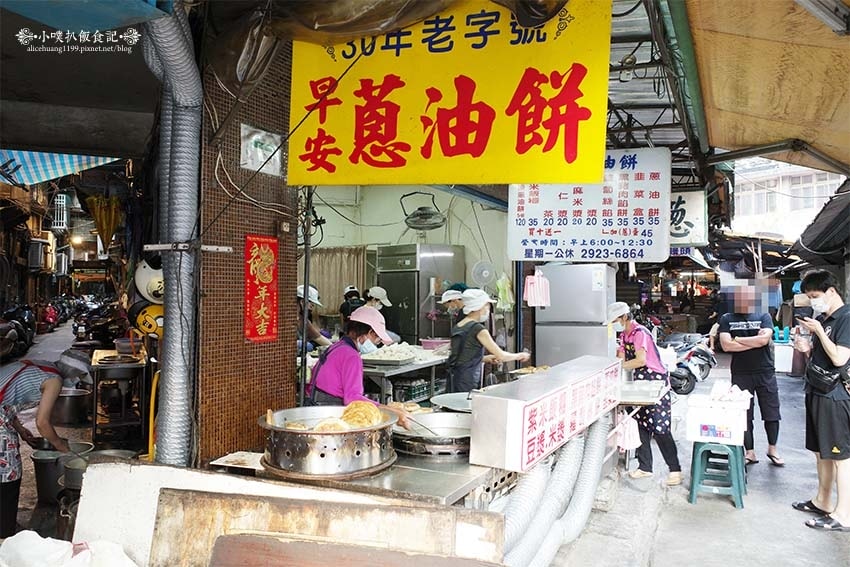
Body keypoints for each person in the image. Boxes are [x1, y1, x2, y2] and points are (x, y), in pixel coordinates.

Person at [793, 269, 850, 532]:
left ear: (831, 291)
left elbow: (839, 358)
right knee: (821, 452)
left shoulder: (846, 318)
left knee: (841, 456)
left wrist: (819, 332)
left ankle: (844, 514)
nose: (813, 301)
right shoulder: (823, 319)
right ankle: (822, 501)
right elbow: (822, 356)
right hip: (816, 390)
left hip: (835, 395)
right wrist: (807, 348)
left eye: (815, 296)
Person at [608, 302, 682, 486]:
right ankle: (645, 467)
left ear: (624, 317)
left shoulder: (640, 333)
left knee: (660, 428)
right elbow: (621, 358)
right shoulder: (624, 335)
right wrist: (614, 366)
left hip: (656, 383)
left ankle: (675, 470)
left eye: (614, 321)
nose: (613, 324)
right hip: (640, 383)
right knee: (641, 425)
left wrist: (618, 368)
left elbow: (640, 360)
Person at [1, 359, 73, 537]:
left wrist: (20, 429)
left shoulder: (38, 367)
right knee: (9, 473)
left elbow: (6, 400)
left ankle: (5, 521)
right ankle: (5, 532)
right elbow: (42, 423)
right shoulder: (54, 380)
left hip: (3, 415)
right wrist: (60, 445)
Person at [305, 306, 409, 426]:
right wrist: (389, 411)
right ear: (369, 333)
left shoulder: (337, 347)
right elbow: (352, 399)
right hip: (330, 413)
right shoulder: (351, 356)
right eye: (378, 338)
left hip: (314, 408)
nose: (377, 343)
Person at [718, 281, 783, 466]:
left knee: (771, 412)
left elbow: (764, 341)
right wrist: (754, 341)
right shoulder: (726, 318)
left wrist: (738, 338)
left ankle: (772, 449)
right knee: (744, 414)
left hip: (765, 371)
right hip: (741, 373)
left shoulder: (763, 315)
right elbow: (726, 345)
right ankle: (750, 452)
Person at [447, 289, 530, 393]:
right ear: (479, 306)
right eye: (487, 305)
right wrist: (520, 355)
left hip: (454, 378)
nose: (488, 309)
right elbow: (501, 356)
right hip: (467, 381)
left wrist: (485, 358)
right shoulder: (478, 329)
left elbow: (463, 356)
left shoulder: (459, 326)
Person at [297, 284, 330, 348]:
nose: (311, 309)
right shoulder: (287, 317)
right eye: (311, 305)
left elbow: (318, 338)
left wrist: (335, 348)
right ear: (302, 302)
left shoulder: (302, 320)